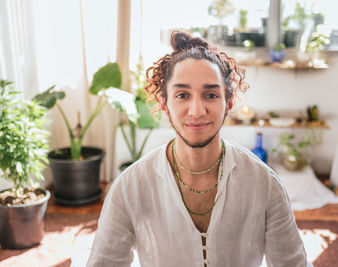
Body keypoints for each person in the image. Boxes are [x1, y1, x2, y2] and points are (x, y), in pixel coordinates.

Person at [87, 31, 311, 267]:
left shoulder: (265, 184)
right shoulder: (129, 187)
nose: (196, 110)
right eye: (182, 95)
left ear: (229, 104)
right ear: (164, 104)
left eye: (211, 95)